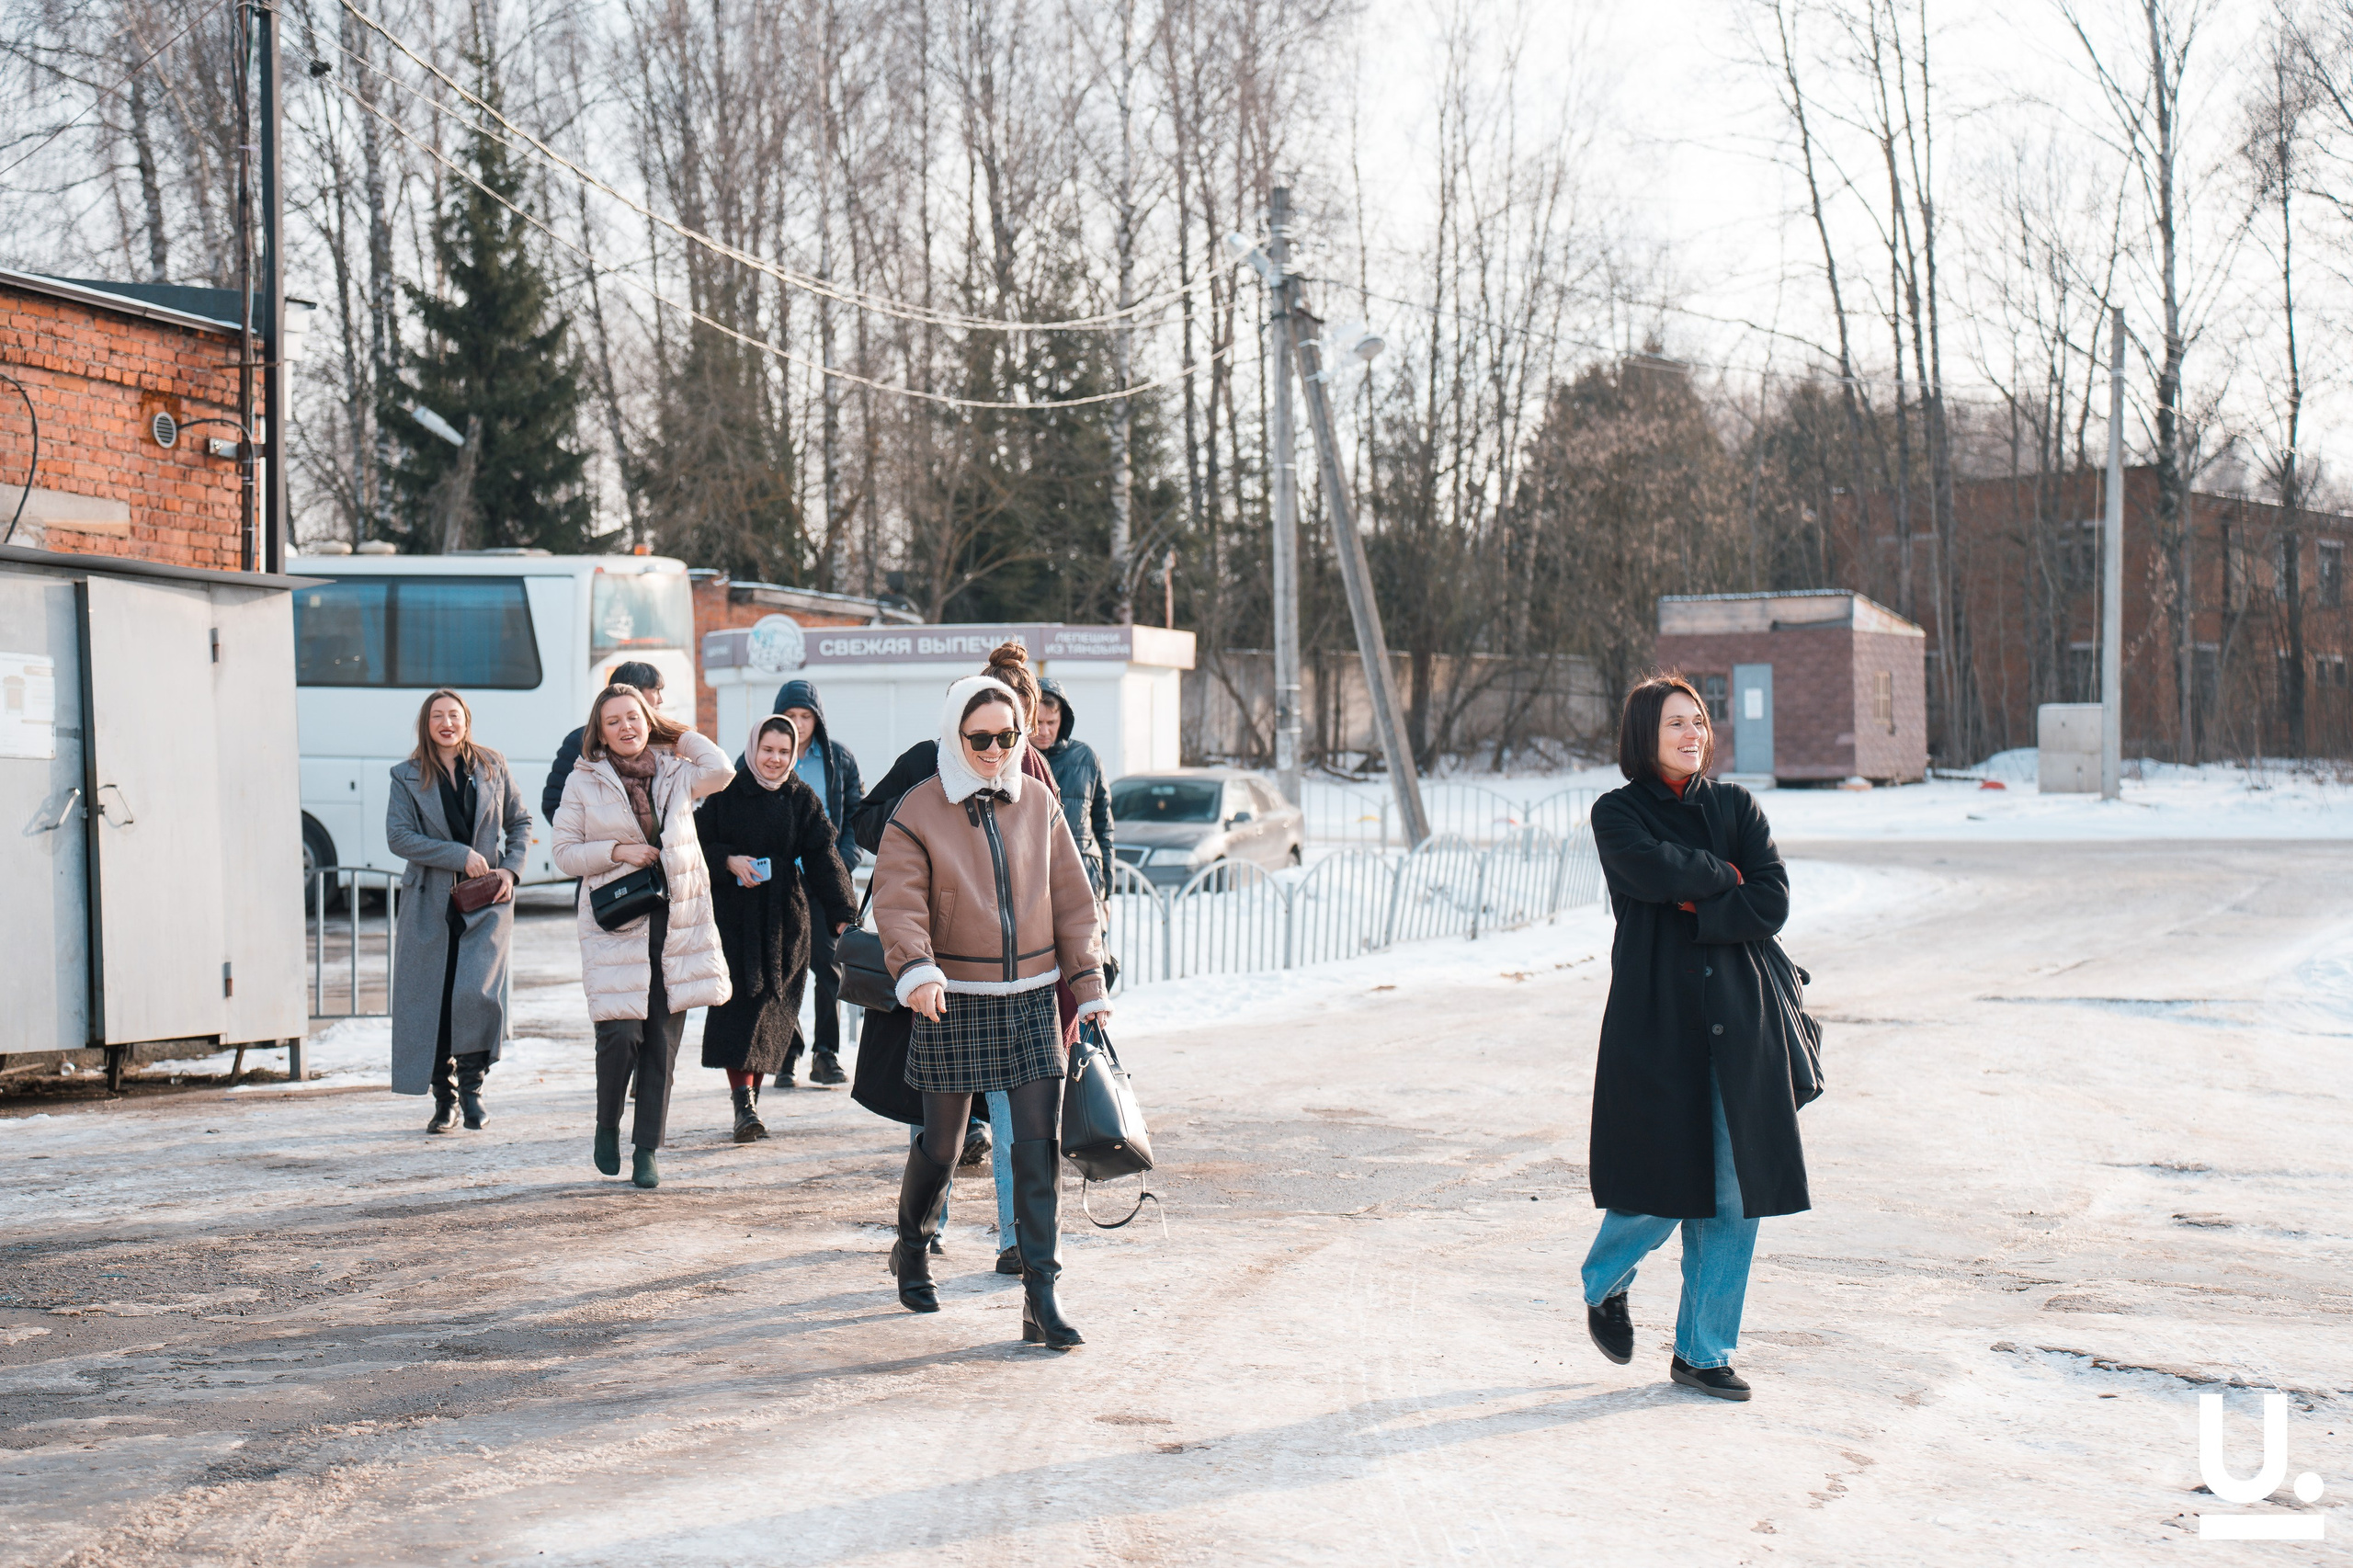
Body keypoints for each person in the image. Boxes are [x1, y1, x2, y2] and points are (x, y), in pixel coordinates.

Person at [1580, 673, 1808, 1402]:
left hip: (1742, 1021)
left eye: (1700, 722)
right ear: (1645, 734)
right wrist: (1722, 876)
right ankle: (1604, 1278)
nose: (1693, 734)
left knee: (1735, 1191)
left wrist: (1701, 897)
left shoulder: (1738, 805)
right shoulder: (1616, 813)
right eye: (1676, 723)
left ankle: (1703, 1351)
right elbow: (1648, 869)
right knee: (1665, 1181)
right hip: (1656, 1018)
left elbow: (1769, 899)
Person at [872, 672, 1109, 1349]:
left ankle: (1041, 1295)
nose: (995, 748)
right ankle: (911, 1245)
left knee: (1037, 1149)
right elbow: (898, 900)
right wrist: (915, 969)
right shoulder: (920, 808)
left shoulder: (1039, 801)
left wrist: (1087, 983)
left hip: (1033, 1000)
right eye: (981, 737)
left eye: (1008, 736)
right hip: (953, 1002)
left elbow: (1073, 898)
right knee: (943, 1147)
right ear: (955, 733)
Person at [850, 643, 1063, 1274]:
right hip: (940, 976)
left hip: (1014, 976)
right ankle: (922, 1232)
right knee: (938, 1121)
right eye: (983, 723)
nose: (998, 742)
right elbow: (866, 824)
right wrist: (924, 831)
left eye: (1013, 720)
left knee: (1014, 1115)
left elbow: (1062, 873)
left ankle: (1015, 1239)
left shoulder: (1033, 778)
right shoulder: (924, 766)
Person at [551, 683, 733, 1188]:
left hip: (676, 922)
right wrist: (617, 851)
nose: (626, 728)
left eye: (634, 717)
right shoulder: (583, 781)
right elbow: (564, 852)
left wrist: (677, 733)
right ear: (600, 732)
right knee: (620, 1034)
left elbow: (722, 770)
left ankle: (646, 1148)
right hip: (617, 923)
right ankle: (607, 1124)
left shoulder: (676, 770)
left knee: (661, 1044)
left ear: (648, 718)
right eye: (614, 721)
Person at [696, 715, 858, 1142]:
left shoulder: (801, 798)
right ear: (753, 749)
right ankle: (743, 1105)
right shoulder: (726, 792)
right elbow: (697, 841)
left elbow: (823, 853)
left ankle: (750, 1104)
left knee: (770, 1011)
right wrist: (728, 861)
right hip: (734, 919)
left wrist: (844, 909)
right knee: (738, 1011)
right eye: (767, 749)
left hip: (786, 919)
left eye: (784, 752)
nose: (775, 758)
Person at [385, 689, 531, 1133]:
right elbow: (399, 837)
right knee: (431, 1001)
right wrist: (458, 855)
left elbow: (520, 822)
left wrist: (511, 871)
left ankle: (473, 1091)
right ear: (426, 725)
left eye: (454, 715)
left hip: (486, 902)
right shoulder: (406, 775)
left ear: (466, 720)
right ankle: (443, 1099)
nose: (447, 723)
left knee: (474, 997)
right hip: (428, 905)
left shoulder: (492, 764)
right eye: (437, 716)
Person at [769, 677, 865, 1086]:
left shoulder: (838, 758)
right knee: (781, 967)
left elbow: (856, 818)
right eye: (790, 715)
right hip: (778, 881)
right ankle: (785, 1051)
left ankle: (825, 1054)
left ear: (817, 718)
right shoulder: (762, 754)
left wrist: (841, 864)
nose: (798, 723)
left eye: (805, 716)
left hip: (826, 879)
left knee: (830, 967)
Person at [541, 661, 666, 823]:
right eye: (655, 690)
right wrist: (608, 844)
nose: (661, 700)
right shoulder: (581, 741)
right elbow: (555, 804)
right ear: (634, 691)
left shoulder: (663, 744)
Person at [1033, 676, 1114, 898]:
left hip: (1084, 876)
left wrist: (1107, 886)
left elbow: (1103, 824)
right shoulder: (1014, 760)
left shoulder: (1087, 758)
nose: (1045, 731)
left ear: (1063, 720)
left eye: (1051, 722)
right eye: (1038, 722)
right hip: (1034, 883)